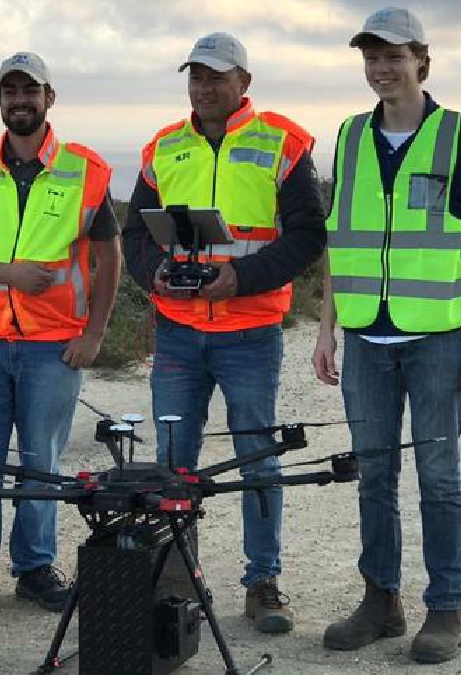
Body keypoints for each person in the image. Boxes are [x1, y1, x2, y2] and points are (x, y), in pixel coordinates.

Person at [311, 7, 461, 664]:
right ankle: (380, 600)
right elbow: (341, 238)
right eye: (370, 55)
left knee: (439, 476)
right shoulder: (348, 136)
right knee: (374, 476)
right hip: (367, 337)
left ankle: (446, 606)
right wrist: (327, 326)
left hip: (439, 336)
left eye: (393, 55)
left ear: (422, 60)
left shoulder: (459, 134)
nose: (381, 67)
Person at [122, 32, 327, 635]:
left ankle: (262, 583)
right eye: (196, 76)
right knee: (173, 466)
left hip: (250, 333)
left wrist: (240, 278)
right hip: (179, 333)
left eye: (217, 76)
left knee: (256, 460)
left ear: (244, 82)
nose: (204, 86)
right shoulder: (163, 147)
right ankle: (175, 580)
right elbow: (133, 233)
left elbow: (308, 235)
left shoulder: (282, 142)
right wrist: (154, 275)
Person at [0, 51, 122, 620]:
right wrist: (8, 274)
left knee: (41, 462)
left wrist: (95, 334)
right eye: (10, 92)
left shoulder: (85, 172)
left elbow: (110, 261)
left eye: (30, 91)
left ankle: (35, 567)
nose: (20, 101)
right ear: (0, 101)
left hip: (53, 347)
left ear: (49, 98)